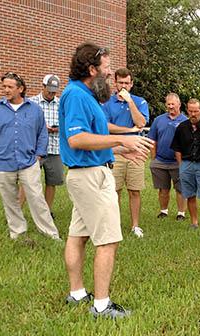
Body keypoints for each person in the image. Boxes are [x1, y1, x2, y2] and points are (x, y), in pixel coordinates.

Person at [60, 43, 154, 318]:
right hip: (90, 178)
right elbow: (76, 139)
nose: (111, 73)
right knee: (108, 240)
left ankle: (77, 294)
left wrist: (123, 149)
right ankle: (101, 305)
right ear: (92, 69)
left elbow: (93, 141)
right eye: (107, 68)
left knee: (78, 236)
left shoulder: (85, 95)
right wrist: (122, 138)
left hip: (87, 172)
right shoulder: (76, 95)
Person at [0, 72, 59, 240]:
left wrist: (39, 155)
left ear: (20, 89)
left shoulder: (35, 110)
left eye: (10, 87)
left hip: (28, 162)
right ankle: (17, 232)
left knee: (37, 199)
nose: (6, 90)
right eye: (4, 86)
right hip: (2, 162)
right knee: (10, 201)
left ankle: (50, 233)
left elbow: (42, 134)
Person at [103, 68, 149, 238]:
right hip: (114, 150)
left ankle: (135, 226)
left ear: (131, 84)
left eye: (126, 83)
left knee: (134, 190)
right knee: (113, 190)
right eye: (120, 82)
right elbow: (106, 126)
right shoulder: (107, 103)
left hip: (136, 151)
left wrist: (130, 102)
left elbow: (141, 122)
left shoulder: (140, 102)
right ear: (115, 83)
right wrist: (128, 130)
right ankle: (113, 224)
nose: (123, 86)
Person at [170, 98, 200, 229]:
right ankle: (194, 222)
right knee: (190, 195)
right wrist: (181, 166)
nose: (193, 114)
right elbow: (177, 148)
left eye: (196, 111)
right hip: (187, 164)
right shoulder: (181, 127)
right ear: (187, 111)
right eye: (190, 111)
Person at [148, 93, 188, 221]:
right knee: (163, 188)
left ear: (179, 104)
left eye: (173, 104)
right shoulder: (159, 120)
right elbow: (152, 139)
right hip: (160, 160)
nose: (170, 106)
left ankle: (181, 213)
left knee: (180, 189)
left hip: (178, 162)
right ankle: (163, 211)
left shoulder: (185, 121)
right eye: (168, 104)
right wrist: (153, 158)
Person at [29, 74, 63, 216]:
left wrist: (58, 128)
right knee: (28, 182)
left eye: (54, 91)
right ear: (42, 86)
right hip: (35, 149)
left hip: (55, 149)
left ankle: (46, 212)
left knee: (52, 181)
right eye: (49, 90)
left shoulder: (61, 103)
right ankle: (16, 212)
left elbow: (67, 123)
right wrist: (42, 127)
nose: (51, 93)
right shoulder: (31, 103)